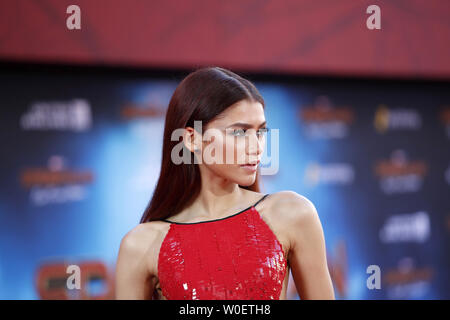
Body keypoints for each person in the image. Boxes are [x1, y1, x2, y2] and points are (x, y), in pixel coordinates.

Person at [115, 66, 335, 300]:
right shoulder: (141, 244)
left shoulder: (291, 214)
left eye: (261, 131)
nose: (257, 147)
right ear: (191, 139)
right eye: (239, 133)